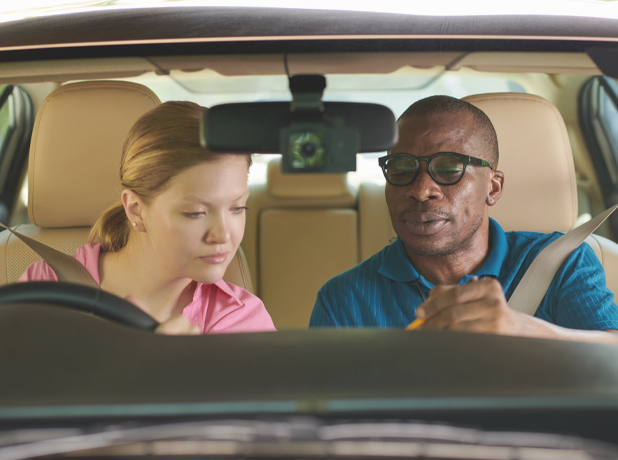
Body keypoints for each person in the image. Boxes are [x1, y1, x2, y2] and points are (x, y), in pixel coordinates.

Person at [309, 95, 618, 343]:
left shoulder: (560, 263)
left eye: (448, 168)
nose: (420, 190)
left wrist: (523, 329)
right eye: (401, 169)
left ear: (493, 188)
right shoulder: (343, 299)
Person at [20, 101, 275, 335]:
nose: (223, 235)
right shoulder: (50, 289)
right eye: (196, 213)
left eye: (237, 208)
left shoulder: (242, 320)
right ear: (135, 209)